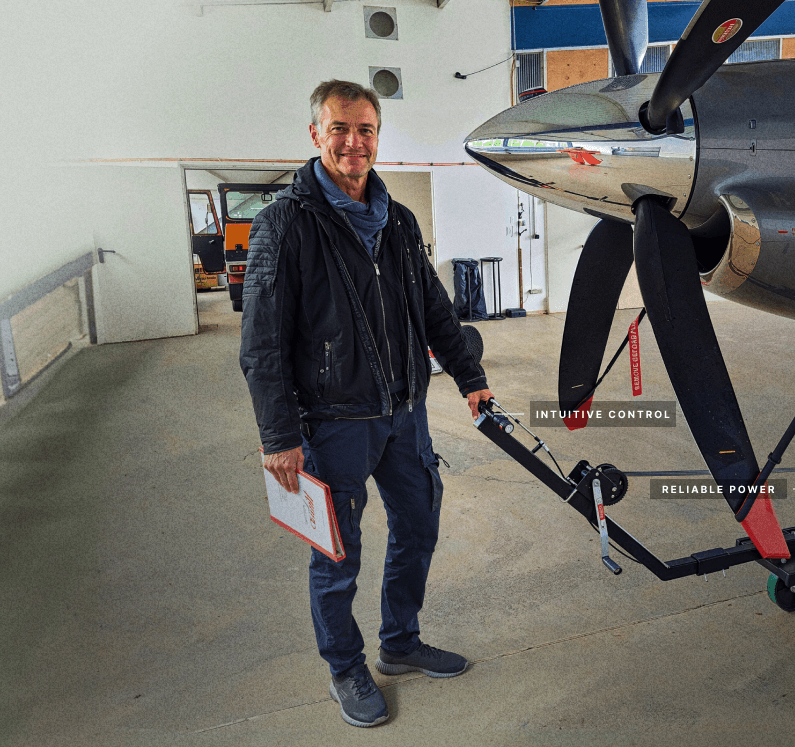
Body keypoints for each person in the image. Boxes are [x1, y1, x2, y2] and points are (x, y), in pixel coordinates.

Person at [239, 79, 494, 728]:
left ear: (378, 135)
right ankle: (344, 664)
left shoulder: (399, 220)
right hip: (332, 423)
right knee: (336, 554)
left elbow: (433, 309)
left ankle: (400, 640)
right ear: (316, 135)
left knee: (419, 523)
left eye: (366, 129)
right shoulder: (283, 224)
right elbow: (262, 342)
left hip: (402, 413)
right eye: (340, 128)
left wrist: (470, 377)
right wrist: (278, 435)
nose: (354, 141)